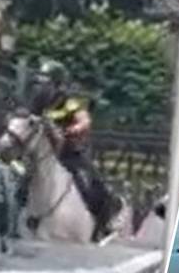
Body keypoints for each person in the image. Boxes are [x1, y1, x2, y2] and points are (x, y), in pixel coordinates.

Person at [30, 60, 116, 234]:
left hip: (67, 152)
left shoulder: (68, 101)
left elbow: (84, 121)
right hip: (41, 152)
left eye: (46, 82)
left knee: (89, 181)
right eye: (41, 82)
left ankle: (101, 222)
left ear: (56, 83)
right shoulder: (38, 101)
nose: (42, 86)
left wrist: (71, 130)